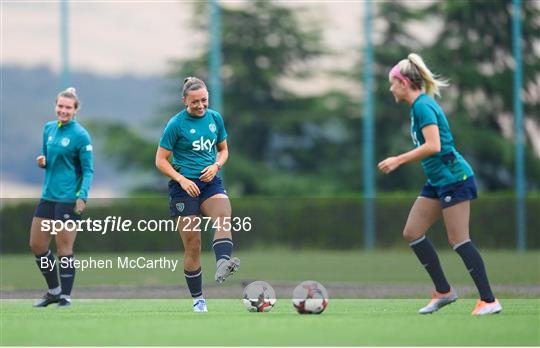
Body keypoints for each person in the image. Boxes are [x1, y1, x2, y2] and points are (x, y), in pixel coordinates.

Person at [378, 53, 502, 316]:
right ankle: (443, 291)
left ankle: (489, 301)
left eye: (393, 83)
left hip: (455, 179)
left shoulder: (423, 106)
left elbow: (433, 146)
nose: (391, 88)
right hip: (437, 182)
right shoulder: (417, 108)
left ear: (405, 83)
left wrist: (398, 160)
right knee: (412, 232)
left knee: (459, 240)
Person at [156, 77, 240, 312]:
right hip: (184, 188)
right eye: (195, 102)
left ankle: (223, 262)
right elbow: (160, 160)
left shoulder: (215, 118)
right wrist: (182, 180)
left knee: (224, 216)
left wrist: (216, 166)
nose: (201, 105)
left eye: (204, 100)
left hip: (210, 183)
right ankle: (198, 299)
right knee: (193, 245)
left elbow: (223, 150)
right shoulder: (175, 124)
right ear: (184, 101)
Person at [31, 87, 94, 308]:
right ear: (55, 106)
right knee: (37, 245)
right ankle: (54, 291)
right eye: (60, 106)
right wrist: (43, 162)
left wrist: (82, 196)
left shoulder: (80, 135)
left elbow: (88, 170)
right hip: (48, 196)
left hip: (69, 198)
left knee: (64, 248)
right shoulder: (48, 128)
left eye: (68, 107)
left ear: (75, 110)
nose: (63, 110)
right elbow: (47, 159)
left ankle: (66, 297)